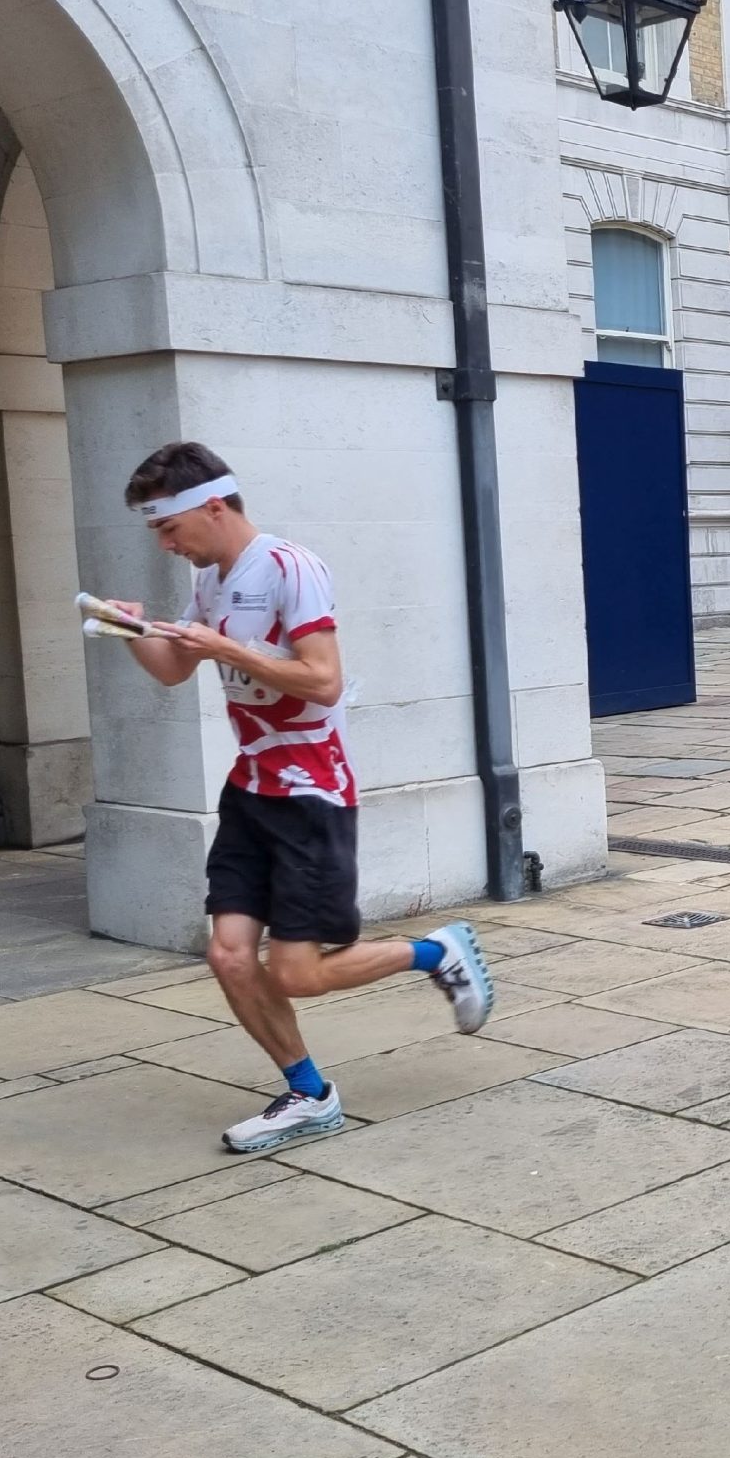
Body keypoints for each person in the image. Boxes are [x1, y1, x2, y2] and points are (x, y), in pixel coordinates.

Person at [111, 441, 494, 1154]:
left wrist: (224, 651)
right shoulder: (211, 582)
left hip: (310, 794)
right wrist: (133, 631)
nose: (164, 545)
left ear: (213, 507)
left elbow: (320, 680)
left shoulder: (291, 568)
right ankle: (310, 1095)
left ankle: (433, 951)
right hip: (250, 790)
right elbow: (171, 670)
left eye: (167, 528)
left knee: (297, 972)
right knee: (228, 957)